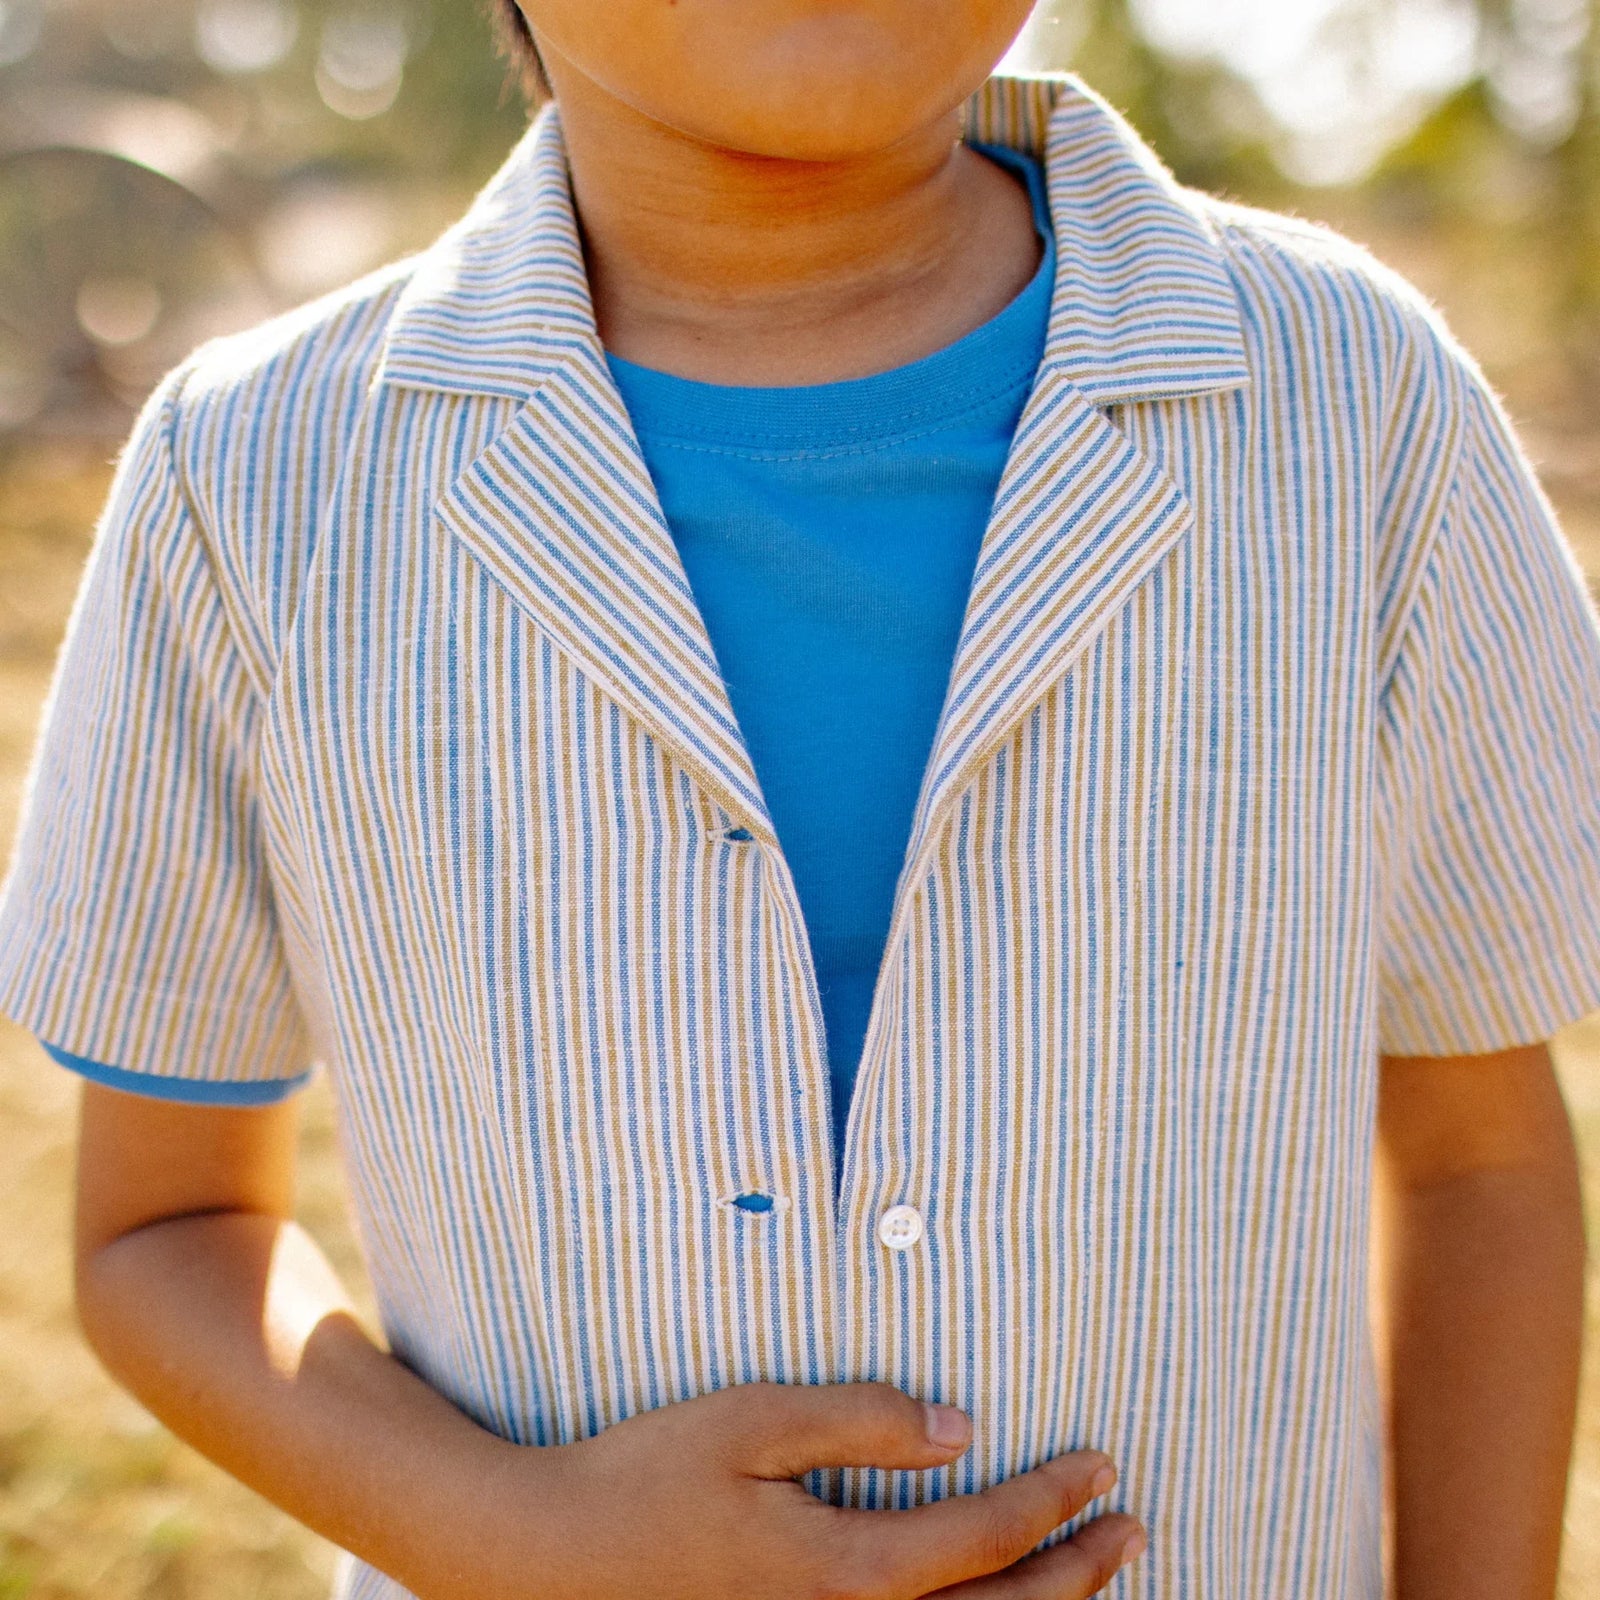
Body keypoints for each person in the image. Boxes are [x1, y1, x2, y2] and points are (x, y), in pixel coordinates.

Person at [0, 2, 1594, 1596]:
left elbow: (1477, 1163)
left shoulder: (1356, 409)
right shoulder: (251, 482)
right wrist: (514, 1532)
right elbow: (164, 1233)